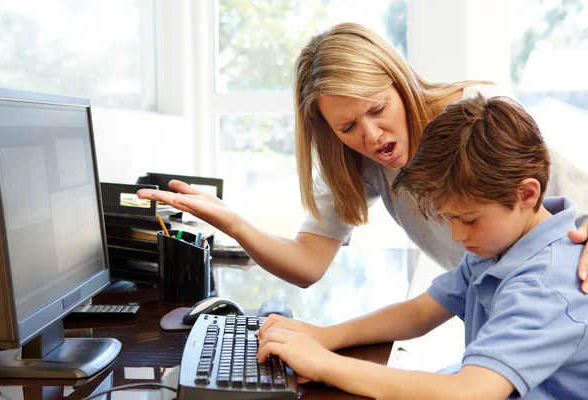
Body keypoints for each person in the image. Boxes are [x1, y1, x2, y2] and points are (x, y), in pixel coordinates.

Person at [136, 22, 588, 292]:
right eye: (347, 127)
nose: (372, 137)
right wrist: (232, 222)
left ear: (399, 81)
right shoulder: (354, 160)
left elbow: (577, 201)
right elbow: (308, 263)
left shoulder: (474, 119)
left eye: (377, 109)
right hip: (491, 305)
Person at [256, 95, 588, 399]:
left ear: (526, 195)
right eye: (449, 219)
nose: (457, 235)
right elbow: (419, 313)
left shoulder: (545, 285)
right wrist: (325, 337)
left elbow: (468, 393)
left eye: (468, 219)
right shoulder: (503, 247)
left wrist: (323, 364)